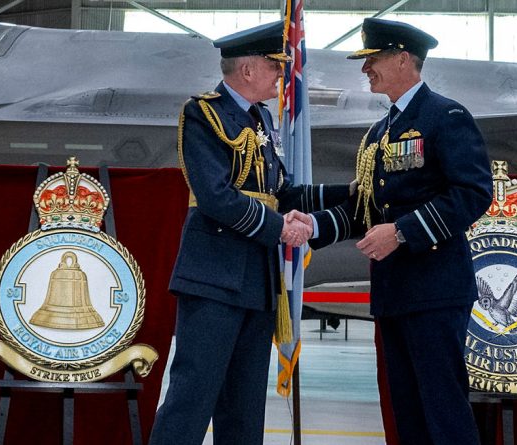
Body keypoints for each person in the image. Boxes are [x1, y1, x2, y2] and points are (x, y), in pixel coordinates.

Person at [149, 21, 353, 445]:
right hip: (214, 278)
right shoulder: (203, 114)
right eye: (274, 66)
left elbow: (281, 192)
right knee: (193, 397)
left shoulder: (261, 118)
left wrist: (347, 192)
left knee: (243, 406)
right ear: (247, 70)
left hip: (258, 281)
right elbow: (216, 198)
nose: (281, 75)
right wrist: (281, 229)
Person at [295, 17, 493, 445]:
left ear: (404, 59)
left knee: (443, 408)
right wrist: (311, 224)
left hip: (436, 289)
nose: (365, 69)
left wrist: (402, 232)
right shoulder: (380, 133)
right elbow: (365, 208)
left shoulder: (446, 116)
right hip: (394, 292)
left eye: (373, 59)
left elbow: (473, 194)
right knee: (407, 410)